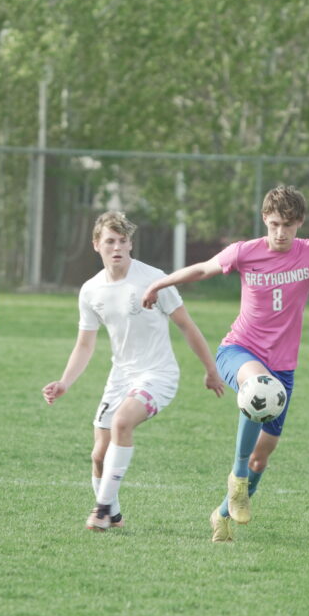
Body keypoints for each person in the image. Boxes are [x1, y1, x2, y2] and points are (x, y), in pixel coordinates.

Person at [141, 185, 309, 542]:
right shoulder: (245, 252)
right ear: (265, 219)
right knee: (258, 389)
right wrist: (160, 283)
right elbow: (203, 269)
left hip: (282, 368)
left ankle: (222, 513)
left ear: (300, 223)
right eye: (274, 224)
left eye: (288, 225)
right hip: (238, 351)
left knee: (261, 458)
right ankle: (236, 480)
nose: (280, 233)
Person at [42, 211, 225, 531]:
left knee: (122, 422)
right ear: (96, 244)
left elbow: (186, 325)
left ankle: (101, 509)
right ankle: (114, 515)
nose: (117, 247)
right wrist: (65, 382)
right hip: (120, 377)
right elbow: (84, 344)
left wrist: (211, 370)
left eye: (123, 241)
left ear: (130, 244)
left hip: (159, 374)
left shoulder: (154, 280)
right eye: (110, 241)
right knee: (98, 456)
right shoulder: (91, 290)